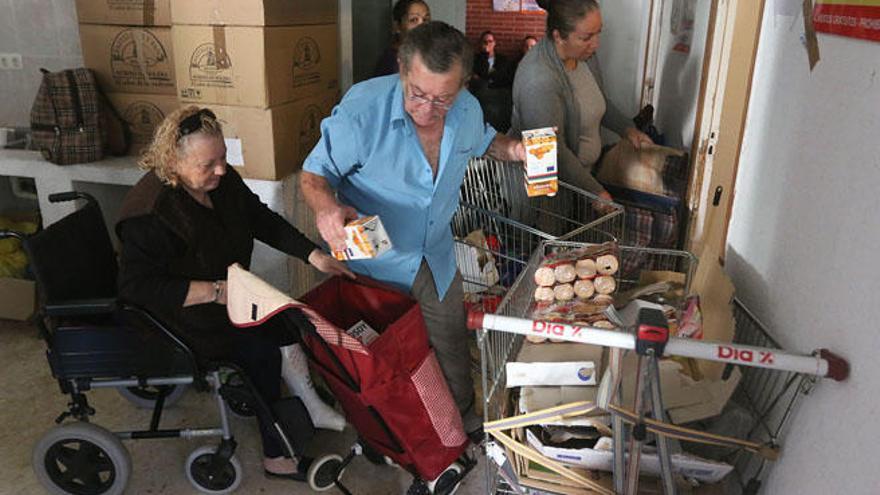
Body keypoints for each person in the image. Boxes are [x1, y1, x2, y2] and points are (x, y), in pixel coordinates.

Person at [301, 21, 525, 442]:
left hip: (435, 255)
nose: (427, 109)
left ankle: (459, 425)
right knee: (378, 357)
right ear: (403, 69)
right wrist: (326, 208)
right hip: (372, 261)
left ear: (462, 85)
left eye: (442, 98)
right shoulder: (362, 111)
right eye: (417, 94)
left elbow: (484, 141)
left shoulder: (466, 110)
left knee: (450, 341)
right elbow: (314, 176)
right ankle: (384, 432)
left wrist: (515, 150)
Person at [116, 106, 354, 480]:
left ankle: (306, 401)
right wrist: (213, 291)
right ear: (172, 161)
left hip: (227, 297)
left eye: (223, 158)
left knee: (288, 320)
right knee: (259, 348)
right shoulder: (150, 214)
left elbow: (260, 219)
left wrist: (314, 256)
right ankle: (278, 458)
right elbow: (138, 288)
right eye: (208, 164)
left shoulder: (220, 183)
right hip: (180, 316)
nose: (222, 170)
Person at [510, 0, 652, 198]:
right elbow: (551, 149)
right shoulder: (538, 79)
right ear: (558, 36)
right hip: (545, 193)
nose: (596, 44)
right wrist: (595, 191)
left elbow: (599, 102)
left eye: (598, 33)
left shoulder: (585, 56)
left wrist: (627, 129)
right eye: (586, 37)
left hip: (581, 181)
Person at [374, 0, 431, 77]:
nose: (422, 25)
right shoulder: (391, 62)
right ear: (397, 26)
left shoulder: (431, 55)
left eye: (426, 19)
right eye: (414, 20)